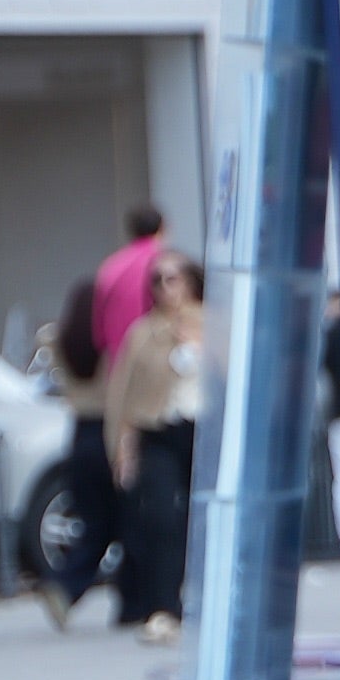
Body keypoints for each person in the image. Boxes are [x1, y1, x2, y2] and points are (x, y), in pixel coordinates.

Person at [105, 248, 205, 640]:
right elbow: (124, 395)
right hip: (159, 429)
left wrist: (198, 341)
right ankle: (164, 607)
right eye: (157, 280)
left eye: (173, 278)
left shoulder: (212, 324)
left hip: (203, 428)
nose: (165, 288)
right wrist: (122, 447)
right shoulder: (143, 332)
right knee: (162, 516)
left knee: (208, 516)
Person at [36, 276, 119, 625]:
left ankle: (65, 586)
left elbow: (46, 336)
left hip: (79, 431)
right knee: (121, 519)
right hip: (108, 429)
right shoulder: (108, 346)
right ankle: (69, 585)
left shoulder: (62, 341)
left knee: (93, 519)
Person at [92, 201, 167, 367]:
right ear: (163, 227)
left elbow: (99, 332)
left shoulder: (111, 265)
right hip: (157, 360)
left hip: (119, 360)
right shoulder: (166, 264)